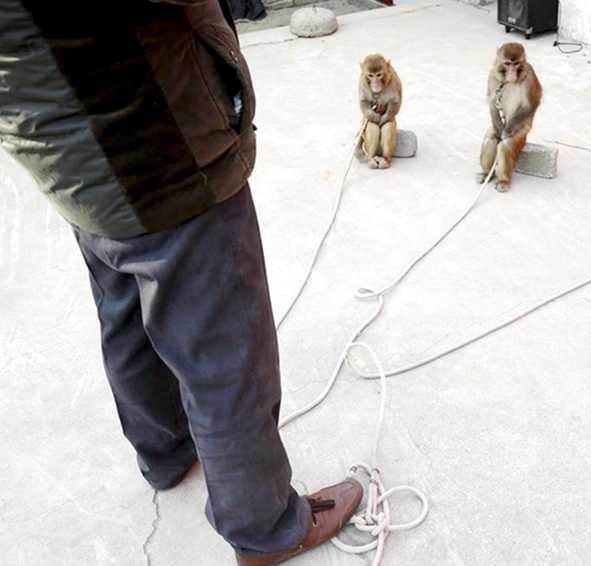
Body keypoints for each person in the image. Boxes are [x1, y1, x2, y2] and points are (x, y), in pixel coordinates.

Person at [0, 1, 362, 564]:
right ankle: (264, 526)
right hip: (151, 136)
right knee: (226, 354)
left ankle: (166, 452)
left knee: (124, 307)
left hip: (60, 146)